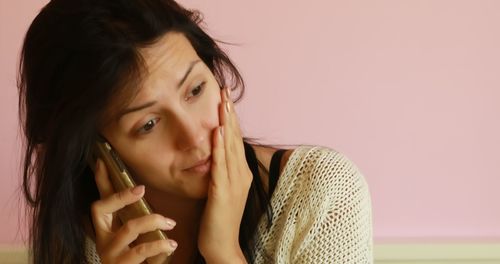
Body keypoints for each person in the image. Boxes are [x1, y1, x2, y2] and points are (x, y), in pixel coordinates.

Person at [17, 0, 373, 263]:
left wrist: (223, 252)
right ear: (96, 150)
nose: (193, 135)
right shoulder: (85, 240)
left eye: (195, 90)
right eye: (149, 124)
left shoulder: (322, 192)